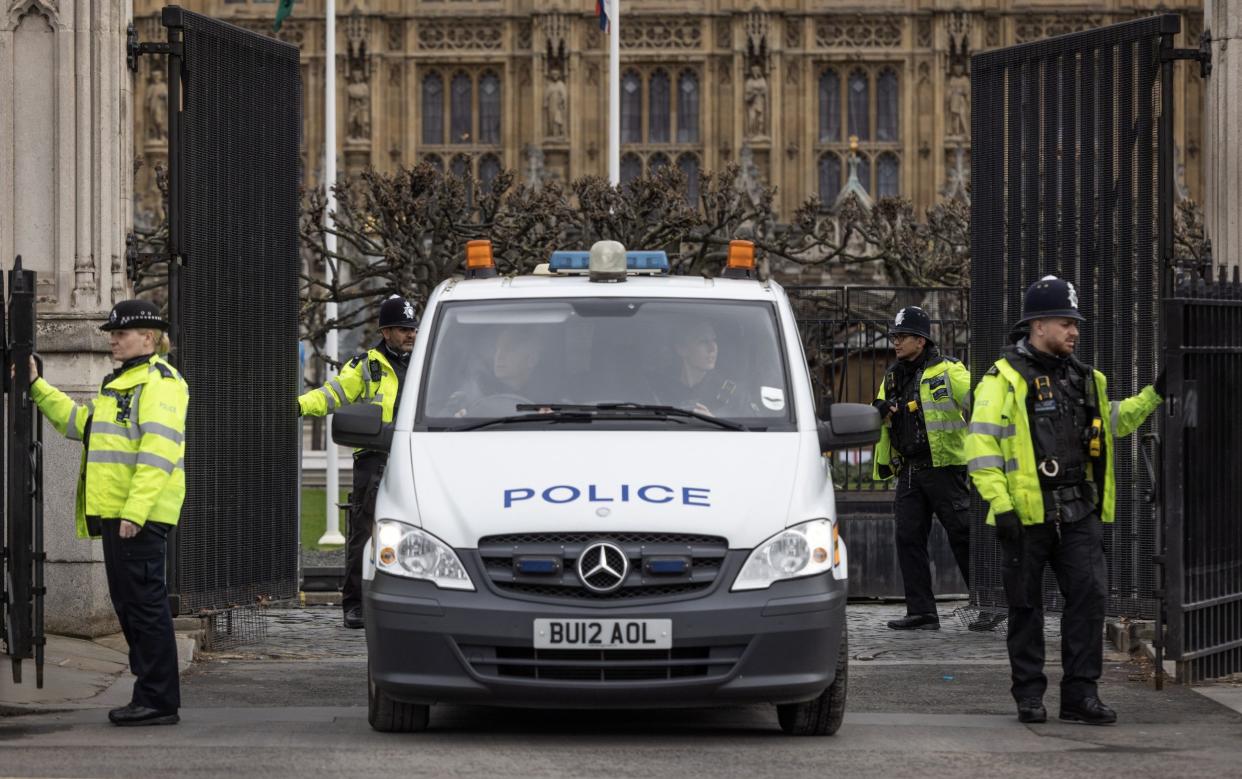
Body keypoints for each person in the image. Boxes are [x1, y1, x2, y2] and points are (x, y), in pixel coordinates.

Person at [967, 276, 1164, 725]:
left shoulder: (1085, 378)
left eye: (1075, 323)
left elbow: (1114, 422)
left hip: (1078, 511)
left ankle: (1079, 696)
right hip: (1024, 514)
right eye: (1066, 322)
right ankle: (1029, 695)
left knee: (1090, 599)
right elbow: (980, 451)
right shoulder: (1003, 379)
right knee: (1025, 608)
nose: (1075, 331)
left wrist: (1154, 393)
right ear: (1038, 325)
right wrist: (1001, 507)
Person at [26, 299, 188, 726]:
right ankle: (150, 694)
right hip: (120, 515)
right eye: (112, 333)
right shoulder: (121, 383)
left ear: (148, 338)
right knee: (131, 607)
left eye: (121, 333)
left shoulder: (161, 383)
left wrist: (135, 512)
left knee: (145, 608)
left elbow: (159, 453)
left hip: (138, 517)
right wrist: (37, 386)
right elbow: (82, 425)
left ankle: (158, 700)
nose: (112, 340)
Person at [299, 295, 418, 629]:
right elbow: (331, 395)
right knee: (365, 533)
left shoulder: (428, 362)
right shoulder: (366, 365)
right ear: (385, 331)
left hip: (417, 457)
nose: (409, 335)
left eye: (412, 328)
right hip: (374, 459)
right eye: (401, 329)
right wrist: (297, 406)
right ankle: (355, 605)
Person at [871, 306, 972, 630]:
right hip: (911, 469)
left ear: (921, 340)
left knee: (963, 535)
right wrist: (881, 408)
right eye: (895, 337)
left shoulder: (949, 371)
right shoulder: (892, 376)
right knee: (907, 538)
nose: (896, 343)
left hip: (945, 467)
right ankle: (922, 612)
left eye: (902, 337)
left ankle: (989, 604)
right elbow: (877, 408)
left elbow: (980, 402)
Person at [655, 320, 742, 416]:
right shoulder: (661, 389)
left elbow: (743, 427)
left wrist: (713, 421)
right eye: (703, 341)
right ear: (681, 349)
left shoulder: (731, 392)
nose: (712, 349)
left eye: (714, 340)